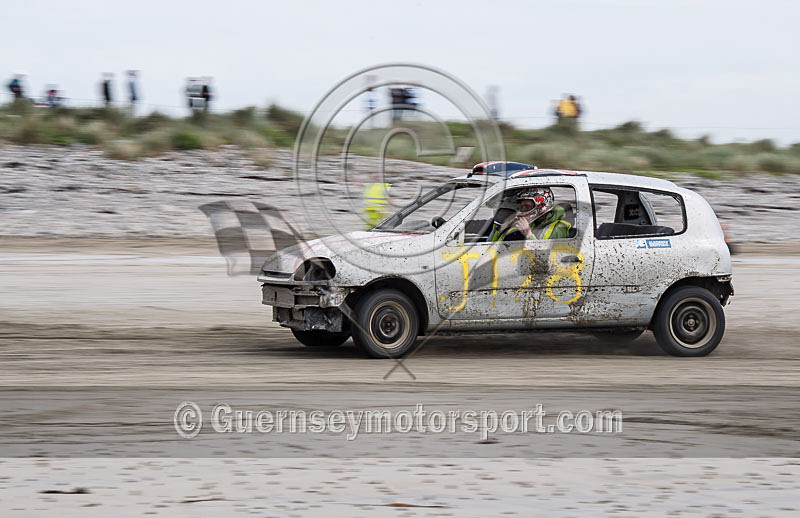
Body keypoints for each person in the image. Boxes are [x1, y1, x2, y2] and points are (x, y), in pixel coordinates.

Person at [490, 187, 571, 241]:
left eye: (527, 206)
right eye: (522, 207)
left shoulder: (558, 228)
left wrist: (528, 234)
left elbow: (546, 258)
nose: (523, 210)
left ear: (542, 206)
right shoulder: (535, 222)